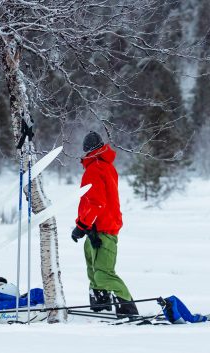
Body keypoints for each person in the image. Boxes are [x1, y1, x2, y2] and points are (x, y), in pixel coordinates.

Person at [70, 131, 138, 317]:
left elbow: (96, 202)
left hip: (104, 229)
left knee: (103, 274)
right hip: (97, 228)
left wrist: (81, 226)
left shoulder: (96, 168)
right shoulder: (104, 166)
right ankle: (101, 304)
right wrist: (88, 228)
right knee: (93, 271)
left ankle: (128, 308)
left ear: (88, 150)